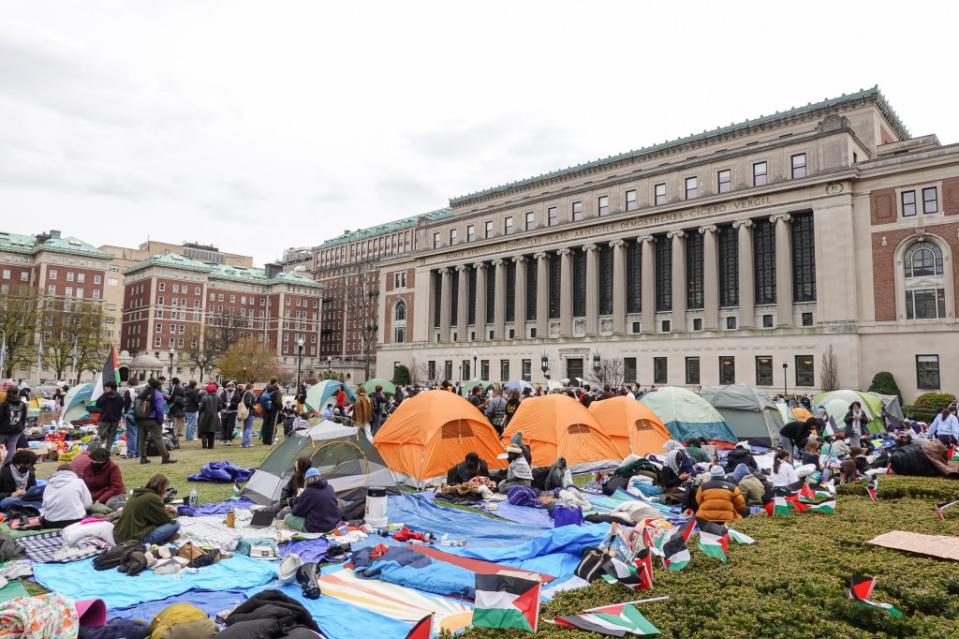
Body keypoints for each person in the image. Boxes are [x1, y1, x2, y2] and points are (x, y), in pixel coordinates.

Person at [114, 474, 180, 544]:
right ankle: (163, 540)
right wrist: (173, 511)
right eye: (166, 489)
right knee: (175, 525)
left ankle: (163, 539)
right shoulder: (153, 498)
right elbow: (166, 520)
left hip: (118, 535)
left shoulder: (138, 493)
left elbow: (146, 512)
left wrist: (162, 508)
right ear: (163, 489)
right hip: (133, 540)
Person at [283, 468, 340, 533]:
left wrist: (298, 497)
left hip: (317, 528)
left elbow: (296, 512)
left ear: (306, 480)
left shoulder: (308, 492)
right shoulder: (330, 487)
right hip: (334, 524)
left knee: (287, 516)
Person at [136, 378, 176, 465]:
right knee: (158, 439)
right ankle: (165, 457)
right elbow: (159, 409)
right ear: (159, 385)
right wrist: (160, 421)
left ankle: (143, 458)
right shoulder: (158, 394)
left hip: (141, 418)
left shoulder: (144, 392)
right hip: (152, 420)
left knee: (142, 439)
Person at [40, 463, 91, 528]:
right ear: (73, 472)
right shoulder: (79, 482)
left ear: (57, 472)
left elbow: (44, 505)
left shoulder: (49, 484)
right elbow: (88, 504)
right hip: (76, 521)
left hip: (52, 522)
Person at [82, 448, 126, 514]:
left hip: (114, 494)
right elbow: (85, 486)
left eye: (98, 462)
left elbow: (116, 487)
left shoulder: (113, 468)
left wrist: (100, 499)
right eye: (94, 461)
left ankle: (120, 511)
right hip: (94, 497)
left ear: (105, 461)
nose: (95, 464)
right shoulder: (87, 469)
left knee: (110, 504)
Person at [94, 381, 124, 453]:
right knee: (111, 436)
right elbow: (121, 407)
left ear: (109, 387)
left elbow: (97, 404)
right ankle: (107, 451)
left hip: (104, 419)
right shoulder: (119, 397)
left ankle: (97, 451)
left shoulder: (104, 396)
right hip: (115, 419)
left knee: (100, 436)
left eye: (106, 387)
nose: (105, 389)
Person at [0, 387, 26, 465]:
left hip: (3, 429)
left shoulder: (4, 404)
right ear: (18, 393)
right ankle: (6, 465)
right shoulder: (22, 404)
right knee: (12, 448)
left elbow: (0, 417)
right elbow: (23, 417)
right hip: (17, 429)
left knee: (11, 447)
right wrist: (22, 427)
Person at [197, 382, 221, 449]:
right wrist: (215, 411)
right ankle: (211, 445)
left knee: (204, 430)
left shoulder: (205, 397)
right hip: (214, 415)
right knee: (212, 431)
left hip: (205, 415)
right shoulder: (218, 397)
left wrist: (200, 412)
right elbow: (219, 407)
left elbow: (201, 407)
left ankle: (204, 441)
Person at [259, 378, 281, 445]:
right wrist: (280, 407)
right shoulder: (277, 391)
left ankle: (264, 440)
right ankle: (270, 440)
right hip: (274, 410)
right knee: (272, 425)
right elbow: (278, 401)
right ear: (276, 382)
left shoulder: (265, 390)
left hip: (265, 410)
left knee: (265, 424)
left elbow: (260, 398)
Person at [122, 379, 140, 459]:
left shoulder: (128, 391)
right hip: (141, 415)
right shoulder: (141, 390)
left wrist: (125, 414)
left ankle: (131, 453)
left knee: (132, 434)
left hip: (131, 415)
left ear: (129, 383)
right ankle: (138, 453)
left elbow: (126, 404)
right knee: (139, 434)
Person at [219, 381, 240, 446]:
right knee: (223, 426)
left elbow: (237, 403)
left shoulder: (236, 394)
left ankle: (229, 439)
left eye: (232, 386)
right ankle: (223, 439)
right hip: (224, 411)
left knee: (230, 426)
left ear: (234, 387)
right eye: (229, 386)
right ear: (227, 387)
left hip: (232, 412)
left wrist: (230, 404)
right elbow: (221, 401)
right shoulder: (223, 394)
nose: (230, 387)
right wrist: (224, 403)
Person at [239, 384, 256, 448]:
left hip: (245, 412)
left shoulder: (244, 393)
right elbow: (247, 402)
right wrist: (253, 407)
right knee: (248, 428)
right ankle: (246, 443)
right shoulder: (249, 393)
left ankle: (245, 442)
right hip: (249, 412)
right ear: (251, 388)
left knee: (246, 427)